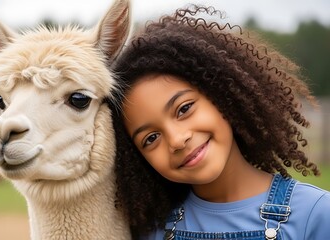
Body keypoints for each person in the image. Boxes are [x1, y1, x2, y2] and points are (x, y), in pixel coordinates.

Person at [108, 4, 330, 240]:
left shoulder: (315, 214)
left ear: (221, 94)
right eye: (151, 138)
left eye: (184, 109)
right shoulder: (151, 232)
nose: (177, 140)